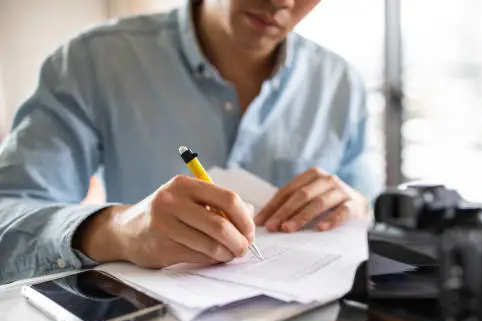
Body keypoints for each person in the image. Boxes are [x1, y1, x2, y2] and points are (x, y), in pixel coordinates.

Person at [0, 0, 382, 285]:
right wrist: (115, 230)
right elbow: (7, 213)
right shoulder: (94, 61)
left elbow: (370, 213)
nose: (282, 1)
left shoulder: (341, 83)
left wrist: (356, 204)